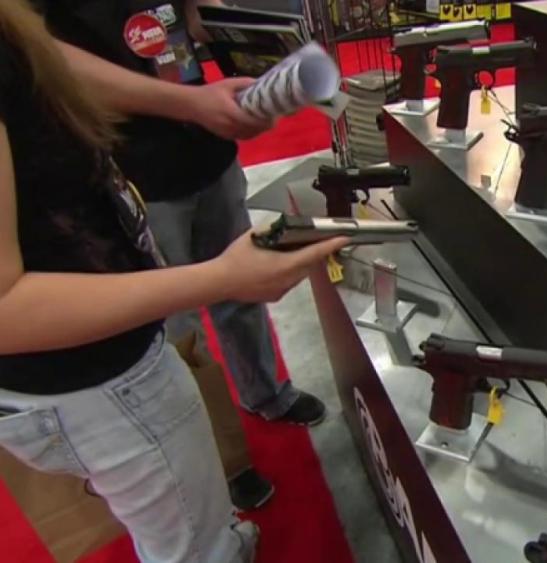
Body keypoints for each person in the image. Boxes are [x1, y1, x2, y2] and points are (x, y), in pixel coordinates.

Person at [0, 1, 347, 561]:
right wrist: (216, 278)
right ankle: (226, 470)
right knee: (191, 537)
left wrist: (236, 64)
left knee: (197, 512)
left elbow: (49, 58)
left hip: (169, 193)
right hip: (93, 369)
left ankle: (254, 414)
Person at [30, 0, 330, 434]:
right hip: (132, 167)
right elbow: (47, 60)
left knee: (245, 288)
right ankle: (215, 437)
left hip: (206, 147)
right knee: (176, 321)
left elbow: (195, 14)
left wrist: (260, 48)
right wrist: (189, 103)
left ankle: (266, 392)